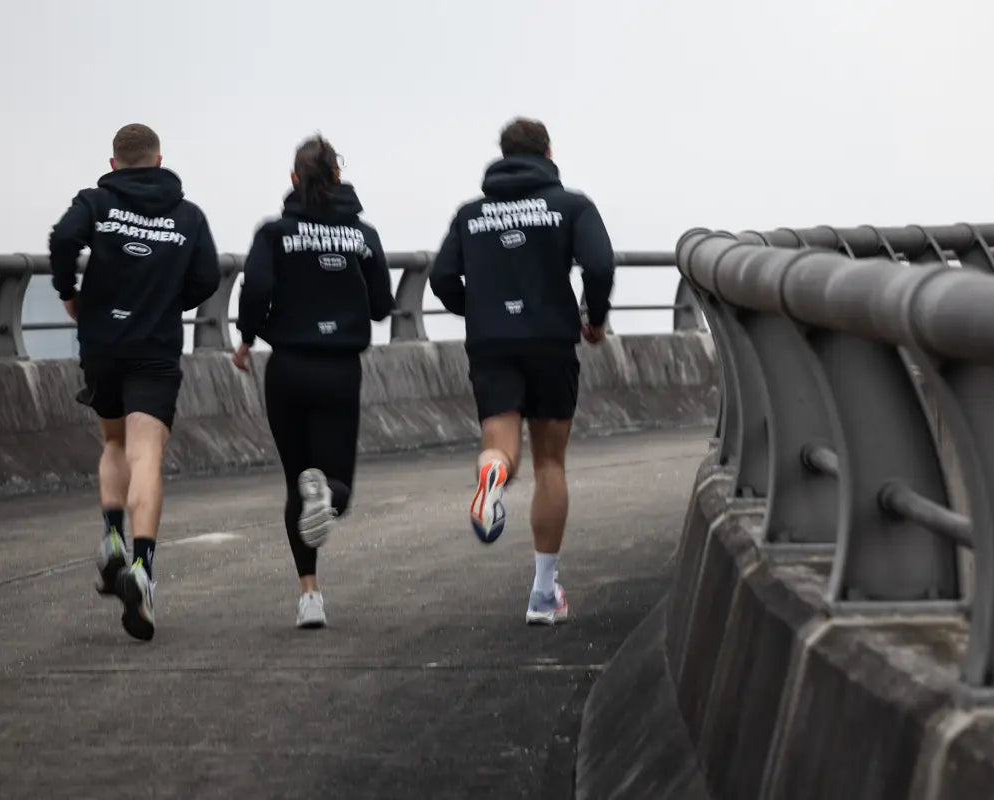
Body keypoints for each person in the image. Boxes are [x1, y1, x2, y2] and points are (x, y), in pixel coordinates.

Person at [429, 118, 615, 626]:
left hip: (492, 342)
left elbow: (441, 275)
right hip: (551, 339)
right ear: (548, 152)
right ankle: (542, 593)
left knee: (500, 442)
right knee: (550, 463)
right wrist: (593, 319)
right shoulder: (570, 205)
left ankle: (492, 476)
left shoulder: (472, 214)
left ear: (503, 154)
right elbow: (599, 266)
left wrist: (478, 309)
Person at [49, 123, 221, 641]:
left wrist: (69, 294)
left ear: (113, 165)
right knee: (147, 454)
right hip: (154, 348)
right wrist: (170, 300)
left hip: (102, 343)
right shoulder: (188, 216)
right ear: (160, 160)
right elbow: (207, 278)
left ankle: (111, 537)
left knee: (115, 441)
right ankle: (142, 569)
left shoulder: (97, 202)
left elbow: (62, 238)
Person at [233, 134, 394, 630]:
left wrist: (248, 336)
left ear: (293, 180)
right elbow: (382, 305)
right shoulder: (362, 235)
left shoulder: (274, 233)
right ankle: (328, 496)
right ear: (337, 178)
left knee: (295, 483)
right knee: (334, 482)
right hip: (340, 369)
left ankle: (310, 595)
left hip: (287, 368)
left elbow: (256, 287)